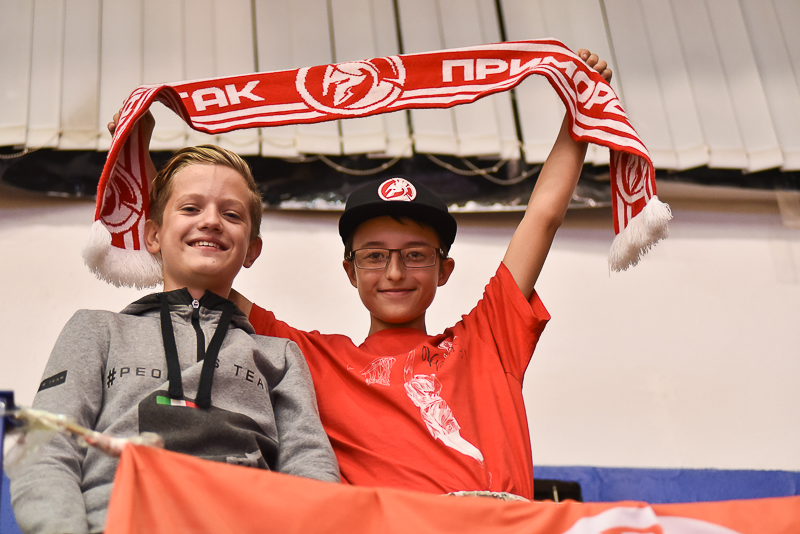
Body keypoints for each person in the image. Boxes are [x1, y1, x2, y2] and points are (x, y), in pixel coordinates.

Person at [108, 50, 611, 500]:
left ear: (444, 269)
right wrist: (139, 154)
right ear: (350, 270)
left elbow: (542, 216)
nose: (394, 271)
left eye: (415, 255)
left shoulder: (489, 339)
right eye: (374, 256)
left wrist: (579, 115)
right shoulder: (309, 359)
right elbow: (195, 266)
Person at [10, 145, 340, 534]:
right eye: (191, 208)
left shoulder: (279, 355)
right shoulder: (98, 330)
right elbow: (47, 447)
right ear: (153, 235)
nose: (211, 221)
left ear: (252, 249)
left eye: (232, 214)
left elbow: (310, 466)